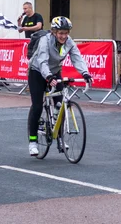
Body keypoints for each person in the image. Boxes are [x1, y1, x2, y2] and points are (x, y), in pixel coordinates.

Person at [27, 16, 92, 156]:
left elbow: (77, 58)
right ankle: (33, 141)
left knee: (61, 104)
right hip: (38, 71)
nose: (63, 36)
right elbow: (42, 61)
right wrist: (48, 77)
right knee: (37, 106)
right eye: (61, 33)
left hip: (55, 71)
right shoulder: (45, 41)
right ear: (54, 32)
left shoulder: (69, 42)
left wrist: (85, 73)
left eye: (66, 32)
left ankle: (60, 139)